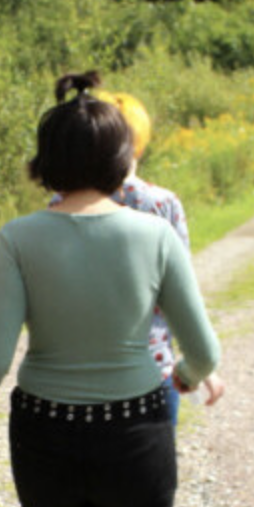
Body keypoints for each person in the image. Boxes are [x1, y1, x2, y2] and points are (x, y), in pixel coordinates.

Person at [0, 72, 224, 507]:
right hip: (137, 432)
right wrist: (184, 375)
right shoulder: (156, 235)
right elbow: (205, 351)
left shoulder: (17, 239)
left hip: (44, 434)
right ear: (123, 158)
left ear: (45, 161)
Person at [100, 90, 191, 424]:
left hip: (85, 379)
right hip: (153, 370)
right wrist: (196, 365)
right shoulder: (163, 203)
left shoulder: (62, 204)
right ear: (139, 142)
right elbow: (181, 293)